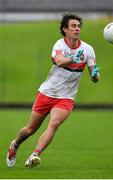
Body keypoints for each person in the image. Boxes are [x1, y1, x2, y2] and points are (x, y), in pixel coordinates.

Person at [6, 13, 100, 168]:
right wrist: (74, 59)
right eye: (73, 26)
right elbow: (59, 61)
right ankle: (15, 144)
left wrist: (95, 76)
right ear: (65, 29)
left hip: (66, 97)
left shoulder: (88, 49)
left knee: (54, 124)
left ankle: (34, 155)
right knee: (29, 130)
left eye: (78, 26)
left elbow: (94, 74)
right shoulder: (59, 45)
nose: (77, 29)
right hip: (47, 93)